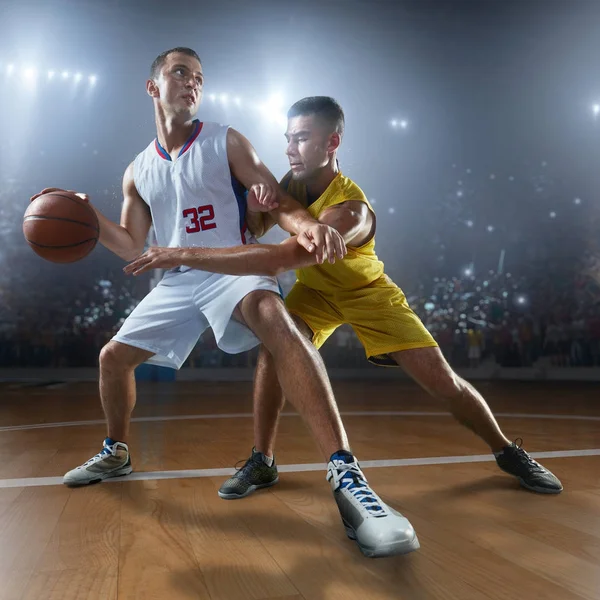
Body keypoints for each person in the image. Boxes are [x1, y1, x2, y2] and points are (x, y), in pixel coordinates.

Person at [32, 50, 418, 559]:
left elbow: (279, 203)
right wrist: (86, 215)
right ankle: (117, 452)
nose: (191, 83)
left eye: (198, 77)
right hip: (174, 276)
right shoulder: (138, 170)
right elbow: (132, 244)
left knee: (277, 321)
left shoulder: (225, 140)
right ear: (152, 87)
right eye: (179, 73)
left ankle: (347, 475)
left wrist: (312, 227)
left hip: (232, 268)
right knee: (111, 360)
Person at [191, 96, 563, 499]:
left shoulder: (352, 210)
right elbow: (258, 226)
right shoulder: (290, 183)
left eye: (301, 138)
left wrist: (187, 255)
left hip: (366, 293)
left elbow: (282, 258)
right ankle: (262, 461)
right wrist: (252, 206)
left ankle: (508, 452)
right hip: (316, 291)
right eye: (288, 138)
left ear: (331, 144)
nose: (289, 148)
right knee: (273, 351)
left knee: (444, 384)